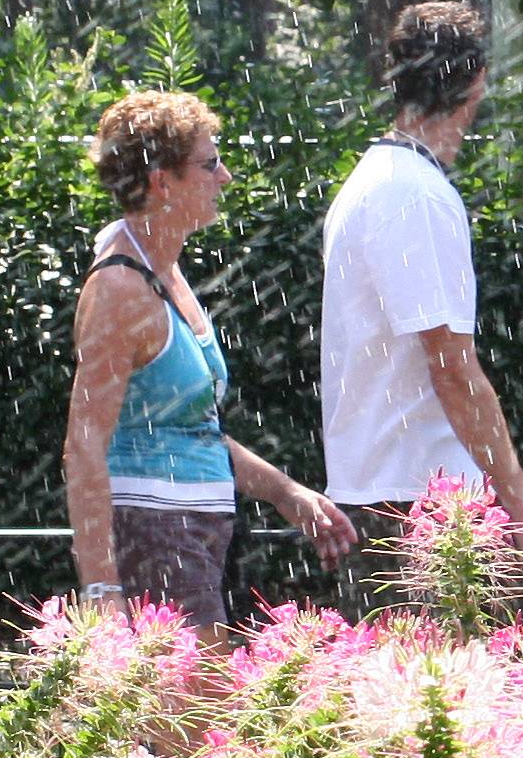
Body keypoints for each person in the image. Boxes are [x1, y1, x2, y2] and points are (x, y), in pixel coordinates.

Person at [64, 90, 355, 634]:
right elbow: (84, 446)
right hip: (156, 531)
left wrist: (286, 494)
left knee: (207, 712)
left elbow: (192, 427)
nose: (224, 176)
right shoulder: (119, 289)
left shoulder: (165, 274)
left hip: (199, 529)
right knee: (195, 713)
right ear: (162, 182)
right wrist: (102, 590)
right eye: (209, 163)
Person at [320, 2, 523, 583]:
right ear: (476, 81)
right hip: (425, 506)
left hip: (383, 494)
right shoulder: (415, 194)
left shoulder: (372, 180)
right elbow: (453, 370)